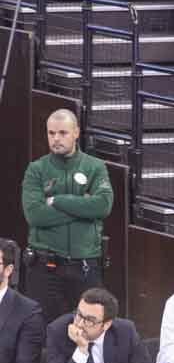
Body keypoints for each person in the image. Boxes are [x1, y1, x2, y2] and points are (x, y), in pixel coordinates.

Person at [20, 109, 112, 322]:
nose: (56, 139)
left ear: (76, 132)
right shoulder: (36, 169)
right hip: (45, 268)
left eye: (63, 133)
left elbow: (102, 206)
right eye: (51, 133)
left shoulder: (95, 167)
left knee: (90, 331)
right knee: (45, 334)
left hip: (85, 266)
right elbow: (35, 215)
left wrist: (58, 201)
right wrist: (84, 209)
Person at [45, 288, 152, 363]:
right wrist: (81, 351)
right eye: (79, 315)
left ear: (106, 324)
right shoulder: (57, 331)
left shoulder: (125, 331)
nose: (80, 324)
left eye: (89, 320)